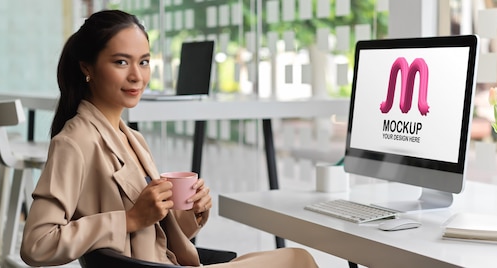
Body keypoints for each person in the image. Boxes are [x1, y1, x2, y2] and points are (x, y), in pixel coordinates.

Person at [20, 10, 318, 268]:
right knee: (297, 260)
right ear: (87, 67)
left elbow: (155, 237)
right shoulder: (75, 142)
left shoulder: (132, 138)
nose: (137, 76)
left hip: (167, 261)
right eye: (121, 62)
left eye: (144, 62)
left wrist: (190, 211)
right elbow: (37, 244)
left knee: (293, 257)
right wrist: (130, 219)